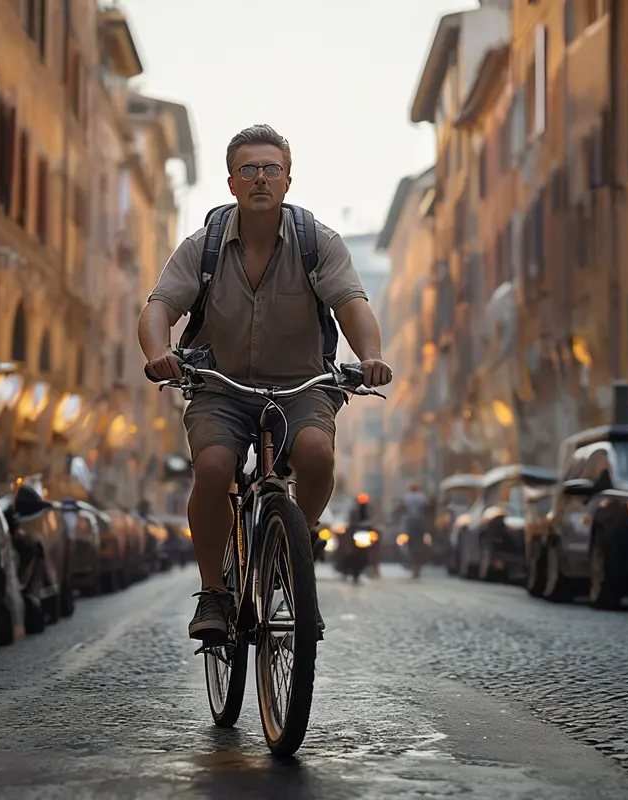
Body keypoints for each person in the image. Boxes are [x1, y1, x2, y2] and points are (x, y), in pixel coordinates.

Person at [138, 124, 393, 646]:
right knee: (213, 467)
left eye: (270, 169)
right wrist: (159, 352)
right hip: (219, 386)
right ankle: (214, 592)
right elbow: (159, 306)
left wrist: (370, 356)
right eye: (248, 169)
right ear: (231, 183)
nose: (260, 178)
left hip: (303, 386)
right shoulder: (203, 246)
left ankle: (292, 544)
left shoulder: (316, 243)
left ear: (287, 181)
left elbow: (352, 305)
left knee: (317, 454)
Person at [399, 482, 428, 579]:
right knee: (419, 543)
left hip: (410, 522)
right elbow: (425, 508)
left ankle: (413, 564)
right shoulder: (422, 497)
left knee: (410, 544)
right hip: (420, 522)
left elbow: (403, 508)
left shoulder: (407, 497)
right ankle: (418, 566)